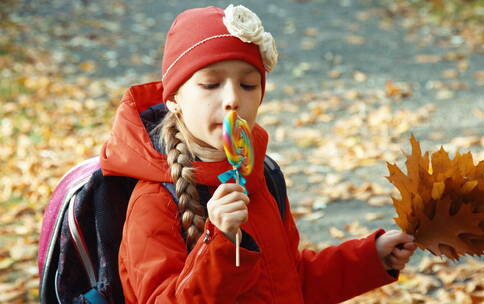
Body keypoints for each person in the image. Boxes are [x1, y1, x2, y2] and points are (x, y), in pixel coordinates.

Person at [99, 4, 417, 303]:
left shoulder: (263, 176)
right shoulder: (155, 201)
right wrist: (221, 242)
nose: (232, 99)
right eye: (210, 84)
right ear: (174, 99)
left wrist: (371, 258)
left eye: (248, 85)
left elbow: (291, 282)